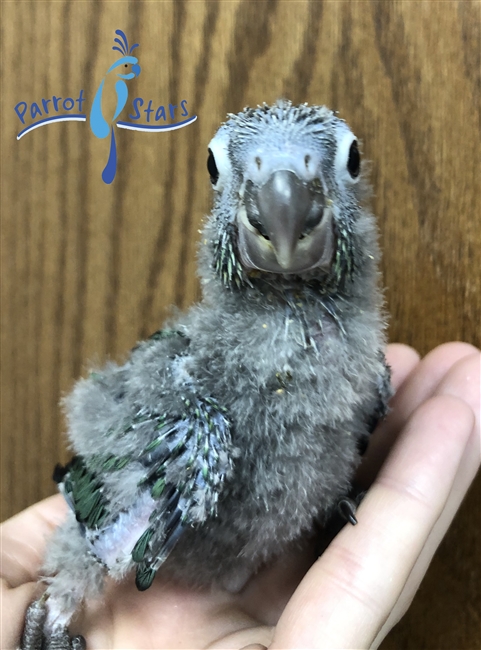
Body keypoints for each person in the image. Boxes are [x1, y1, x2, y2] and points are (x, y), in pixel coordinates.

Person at [1, 342, 479, 650]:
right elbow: (99, 517)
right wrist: (56, 619)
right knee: (127, 517)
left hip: (259, 551)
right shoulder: (191, 410)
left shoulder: (360, 377)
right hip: (141, 551)